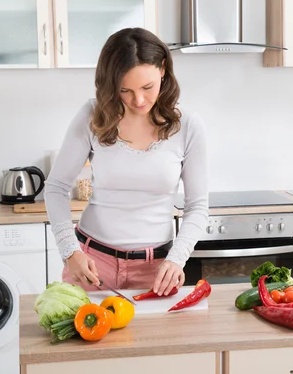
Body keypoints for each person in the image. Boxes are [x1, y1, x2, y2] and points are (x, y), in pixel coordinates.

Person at [44, 27, 209, 296]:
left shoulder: (188, 126)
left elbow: (198, 206)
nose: (139, 100)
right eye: (125, 90)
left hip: (156, 269)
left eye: (147, 87)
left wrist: (177, 259)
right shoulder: (93, 115)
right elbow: (56, 187)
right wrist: (69, 251)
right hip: (91, 264)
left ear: (163, 69)